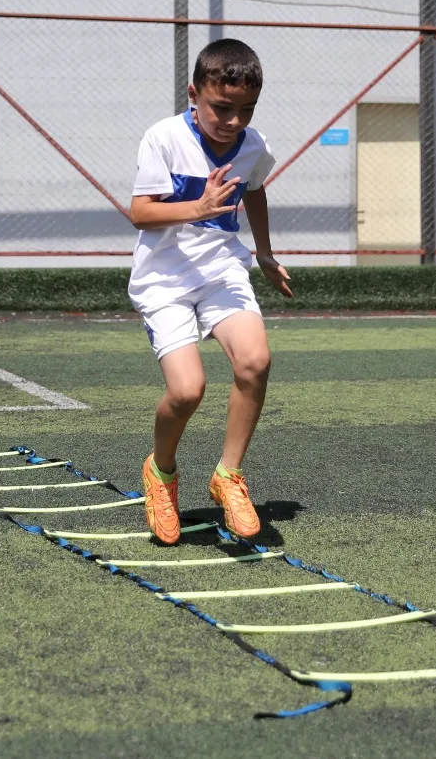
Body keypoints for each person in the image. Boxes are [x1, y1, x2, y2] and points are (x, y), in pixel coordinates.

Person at [128, 38, 293, 544]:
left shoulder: (252, 145)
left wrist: (263, 253)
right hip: (165, 280)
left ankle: (228, 476)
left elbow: (256, 189)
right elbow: (140, 211)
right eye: (223, 108)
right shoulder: (163, 138)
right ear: (194, 92)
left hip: (223, 270)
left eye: (247, 110)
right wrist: (198, 208)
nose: (234, 121)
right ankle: (161, 472)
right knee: (187, 390)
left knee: (255, 362)